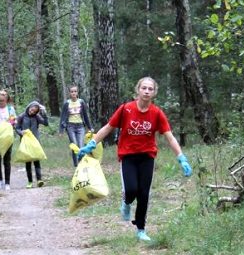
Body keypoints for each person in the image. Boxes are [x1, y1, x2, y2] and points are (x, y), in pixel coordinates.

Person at [78, 77, 192, 242]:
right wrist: (92, 143)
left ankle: (141, 229)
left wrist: (181, 157)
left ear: (154, 93)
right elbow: (108, 127)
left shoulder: (157, 113)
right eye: (144, 88)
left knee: (144, 194)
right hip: (128, 156)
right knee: (131, 190)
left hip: (147, 156)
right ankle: (126, 203)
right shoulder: (126, 109)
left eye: (150, 89)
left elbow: (170, 137)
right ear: (138, 90)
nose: (146, 91)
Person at [16, 101, 49, 188]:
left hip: (35, 142)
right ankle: (30, 182)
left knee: (37, 161)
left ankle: (39, 180)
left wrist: (44, 113)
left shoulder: (37, 117)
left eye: (35, 111)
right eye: (31, 109)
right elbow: (17, 128)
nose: (32, 112)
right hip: (25, 142)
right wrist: (21, 132)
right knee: (28, 163)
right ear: (29, 107)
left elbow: (46, 123)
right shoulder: (22, 116)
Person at [59, 85, 93, 167]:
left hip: (80, 126)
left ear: (77, 92)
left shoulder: (81, 102)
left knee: (81, 146)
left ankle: (81, 165)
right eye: (72, 92)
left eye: (75, 91)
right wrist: (61, 130)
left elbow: (85, 115)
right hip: (70, 127)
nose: (73, 93)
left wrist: (90, 127)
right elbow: (63, 118)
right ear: (69, 93)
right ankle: (76, 165)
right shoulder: (67, 103)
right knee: (74, 145)